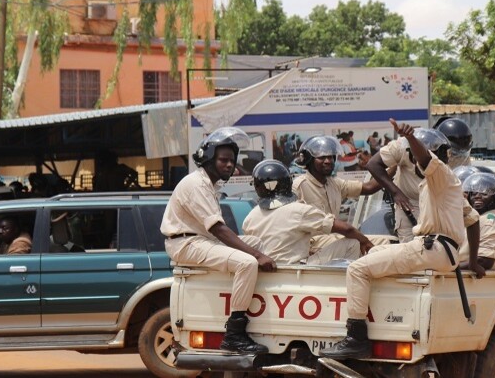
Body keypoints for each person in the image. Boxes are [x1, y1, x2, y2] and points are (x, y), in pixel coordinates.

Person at [321, 119, 484, 359]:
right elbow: (473, 219)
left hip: (433, 247)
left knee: (357, 269)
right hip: (441, 250)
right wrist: (474, 262)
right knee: (373, 253)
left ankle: (356, 337)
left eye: (418, 157)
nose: (415, 161)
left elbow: (426, 158)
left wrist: (410, 137)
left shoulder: (440, 173)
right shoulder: (440, 184)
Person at [160, 126, 276, 355]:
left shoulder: (208, 183)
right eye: (223, 160)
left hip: (199, 240)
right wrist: (257, 256)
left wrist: (257, 251)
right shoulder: (196, 184)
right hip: (186, 244)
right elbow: (219, 229)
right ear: (209, 159)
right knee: (248, 262)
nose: (230, 165)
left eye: (232, 161)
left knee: (256, 242)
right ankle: (234, 334)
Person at [243, 159, 373, 265]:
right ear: (288, 182)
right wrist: (365, 241)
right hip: (297, 270)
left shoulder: (249, 218)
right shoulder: (299, 210)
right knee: (353, 243)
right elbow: (347, 229)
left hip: (269, 271)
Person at [291, 136, 388, 251]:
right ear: (309, 160)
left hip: (332, 241)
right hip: (311, 245)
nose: (327, 161)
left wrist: (396, 163)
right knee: (356, 242)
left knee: (384, 241)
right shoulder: (298, 186)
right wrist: (362, 239)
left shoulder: (334, 184)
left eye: (330, 157)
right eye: (321, 157)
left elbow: (369, 187)